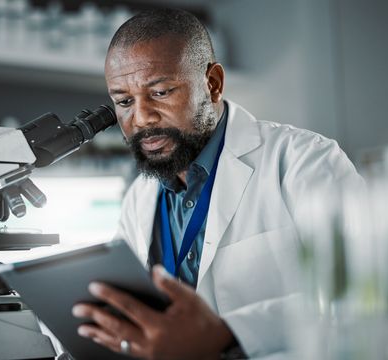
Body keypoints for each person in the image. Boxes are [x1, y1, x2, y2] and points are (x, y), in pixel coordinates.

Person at [71, 8, 362, 360]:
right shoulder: (140, 197)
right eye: (124, 101)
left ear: (213, 84)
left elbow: (363, 290)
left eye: (160, 92)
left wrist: (227, 334)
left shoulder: (304, 161)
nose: (142, 117)